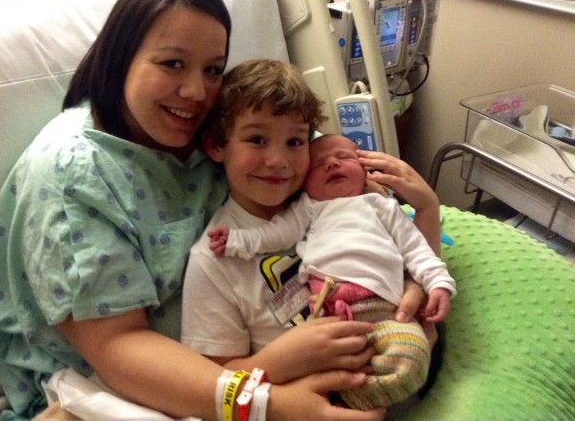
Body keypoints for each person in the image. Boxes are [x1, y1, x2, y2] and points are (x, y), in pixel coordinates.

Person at [0, 0, 426, 421]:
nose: (195, 91)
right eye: (172, 64)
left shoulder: (221, 123)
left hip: (268, 348)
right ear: (121, 57)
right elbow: (117, 346)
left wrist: (401, 276)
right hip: (106, 388)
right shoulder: (72, 175)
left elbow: (342, 189)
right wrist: (269, 404)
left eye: (212, 69)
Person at [181, 59, 448, 417]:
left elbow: (406, 247)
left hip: (397, 358)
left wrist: (426, 215)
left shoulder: (333, 198)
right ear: (216, 145)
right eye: (257, 139)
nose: (278, 160)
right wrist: (277, 362)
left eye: (295, 141)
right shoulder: (214, 261)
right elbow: (213, 381)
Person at [206, 132, 456, 410]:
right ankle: (349, 400)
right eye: (318, 164)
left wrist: (437, 282)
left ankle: (368, 401)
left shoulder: (381, 206)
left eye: (344, 157)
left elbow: (416, 249)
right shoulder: (308, 209)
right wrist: (236, 241)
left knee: (411, 355)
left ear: (365, 170)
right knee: (328, 369)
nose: (332, 164)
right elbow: (273, 235)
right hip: (331, 311)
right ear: (304, 183)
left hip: (386, 307)